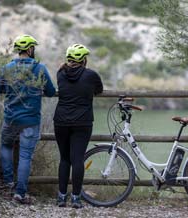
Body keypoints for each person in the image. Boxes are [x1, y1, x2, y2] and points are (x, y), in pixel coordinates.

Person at [0, 34, 56, 204]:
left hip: (10, 119)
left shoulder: (6, 68)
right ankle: (20, 193)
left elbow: (0, 89)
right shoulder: (40, 68)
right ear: (30, 49)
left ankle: (8, 183)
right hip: (30, 120)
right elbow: (51, 92)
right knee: (25, 156)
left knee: (6, 146)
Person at [53, 44, 103, 208]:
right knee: (77, 160)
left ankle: (61, 197)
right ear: (83, 59)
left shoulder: (60, 73)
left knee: (64, 159)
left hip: (61, 121)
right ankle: (75, 198)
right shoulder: (91, 75)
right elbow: (99, 90)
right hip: (82, 122)